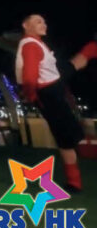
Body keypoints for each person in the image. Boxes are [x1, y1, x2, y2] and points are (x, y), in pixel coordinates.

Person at [16, 14, 97, 192]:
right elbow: (29, 78)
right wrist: (31, 96)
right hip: (48, 92)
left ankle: (74, 180)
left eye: (44, 21)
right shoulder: (30, 45)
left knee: (76, 62)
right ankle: (74, 181)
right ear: (25, 25)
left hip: (54, 80)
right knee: (65, 137)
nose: (44, 24)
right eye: (38, 22)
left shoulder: (35, 42)